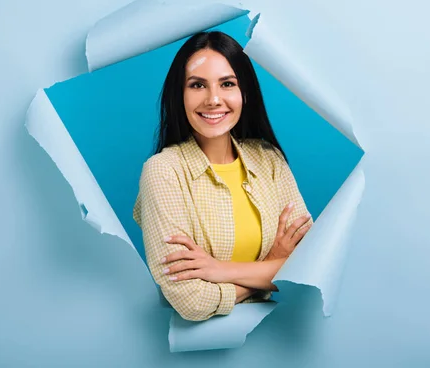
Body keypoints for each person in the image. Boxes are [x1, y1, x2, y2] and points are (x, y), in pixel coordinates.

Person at [133, 31, 313, 322]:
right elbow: (191, 301)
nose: (213, 99)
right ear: (179, 95)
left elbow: (309, 266)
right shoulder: (162, 172)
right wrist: (270, 266)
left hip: (274, 343)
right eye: (197, 85)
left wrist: (219, 270)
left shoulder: (269, 159)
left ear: (245, 93)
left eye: (227, 83)